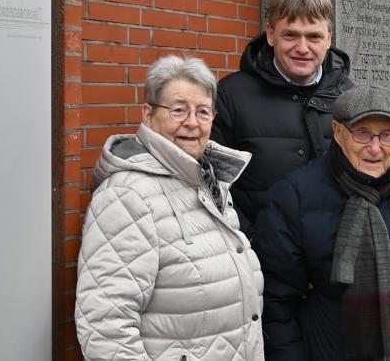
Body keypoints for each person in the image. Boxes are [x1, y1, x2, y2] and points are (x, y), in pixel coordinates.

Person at [255, 85, 390, 361]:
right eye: (362, 133)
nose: (374, 148)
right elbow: (277, 304)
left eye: (386, 135)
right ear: (337, 131)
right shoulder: (295, 197)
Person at [75, 55, 264, 361]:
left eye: (203, 112)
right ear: (147, 115)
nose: (192, 122)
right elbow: (106, 327)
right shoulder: (127, 197)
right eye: (178, 110)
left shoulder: (210, 183)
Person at [212, 0, 353, 235]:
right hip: (259, 256)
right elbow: (214, 184)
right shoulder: (229, 96)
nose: (302, 47)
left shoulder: (351, 98)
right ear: (270, 34)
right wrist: (256, 244)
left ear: (329, 38)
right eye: (290, 35)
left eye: (314, 36)